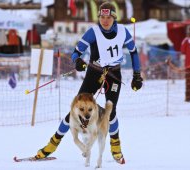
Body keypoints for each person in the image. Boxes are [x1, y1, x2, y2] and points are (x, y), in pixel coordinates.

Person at [35, 1, 143, 164]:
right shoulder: (93, 32)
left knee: (110, 111)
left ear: (114, 18)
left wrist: (137, 75)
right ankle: (52, 144)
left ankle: (116, 147)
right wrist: (77, 61)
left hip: (113, 74)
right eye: (101, 17)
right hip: (95, 73)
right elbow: (76, 52)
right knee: (76, 109)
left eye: (108, 17)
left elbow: (134, 53)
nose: (104, 20)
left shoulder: (123, 31)